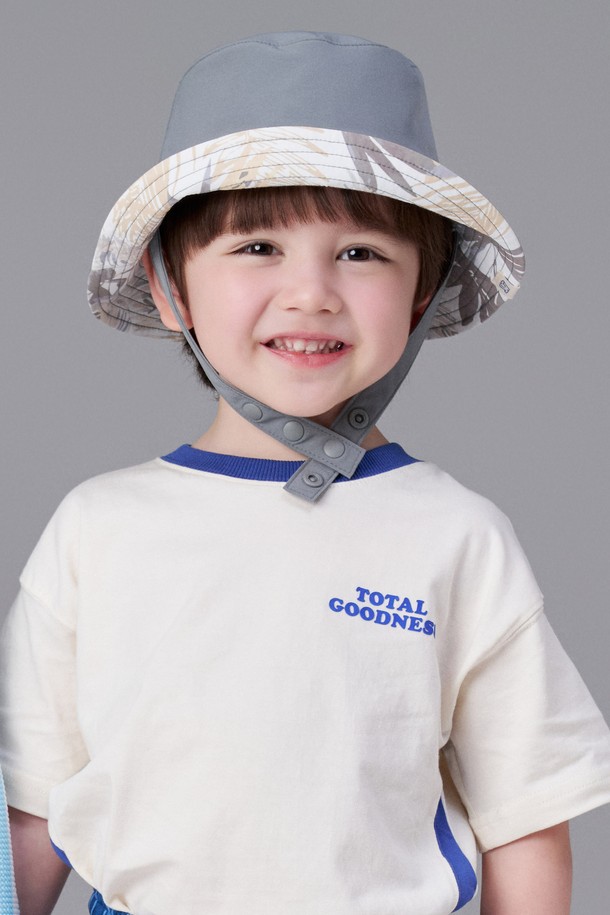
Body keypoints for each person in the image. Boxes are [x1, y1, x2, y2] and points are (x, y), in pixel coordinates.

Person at [1, 31, 610, 915]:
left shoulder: (457, 535)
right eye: (256, 247)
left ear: (423, 290)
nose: (312, 292)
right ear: (170, 285)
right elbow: (32, 802)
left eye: (361, 252)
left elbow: (525, 813)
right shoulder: (98, 529)